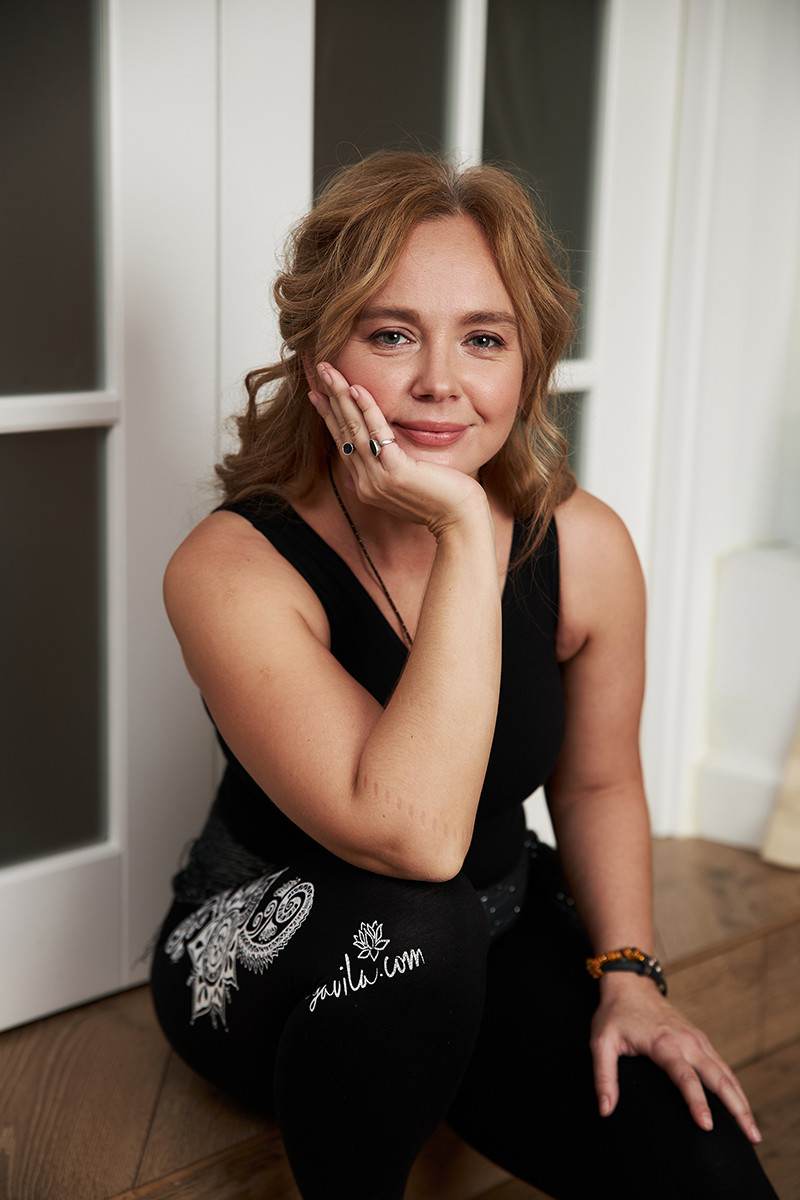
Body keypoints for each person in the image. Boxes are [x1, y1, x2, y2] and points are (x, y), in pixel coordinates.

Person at [151, 152, 777, 1199]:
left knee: (708, 1171)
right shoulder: (233, 566)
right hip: (265, 958)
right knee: (418, 917)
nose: (439, 381)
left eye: (483, 339)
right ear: (317, 352)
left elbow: (597, 783)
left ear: (528, 364)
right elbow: (413, 837)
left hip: (494, 931)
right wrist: (456, 528)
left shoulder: (582, 544)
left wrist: (629, 974)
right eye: (391, 334)